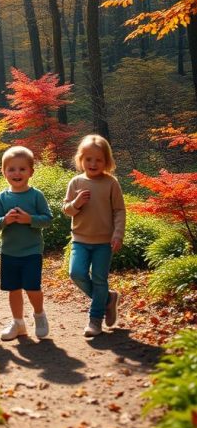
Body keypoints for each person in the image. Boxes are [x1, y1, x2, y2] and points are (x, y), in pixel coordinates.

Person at [62, 134, 126, 338]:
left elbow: (119, 210)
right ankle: (108, 299)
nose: (93, 163)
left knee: (99, 280)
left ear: (107, 161)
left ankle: (95, 319)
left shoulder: (111, 183)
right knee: (76, 273)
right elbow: (67, 210)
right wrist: (76, 203)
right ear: (81, 159)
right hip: (80, 239)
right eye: (88, 159)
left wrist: (118, 234)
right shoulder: (75, 182)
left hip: (104, 242)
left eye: (98, 159)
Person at [0, 146, 52, 341]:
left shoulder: (36, 195)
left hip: (32, 251)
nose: (17, 173)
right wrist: (5, 220)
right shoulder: (2, 197)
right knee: (13, 289)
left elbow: (48, 219)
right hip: (9, 251)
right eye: (11, 169)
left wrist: (30, 220)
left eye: (22, 169)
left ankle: (39, 315)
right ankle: (18, 323)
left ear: (31, 172)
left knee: (32, 287)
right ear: (4, 172)